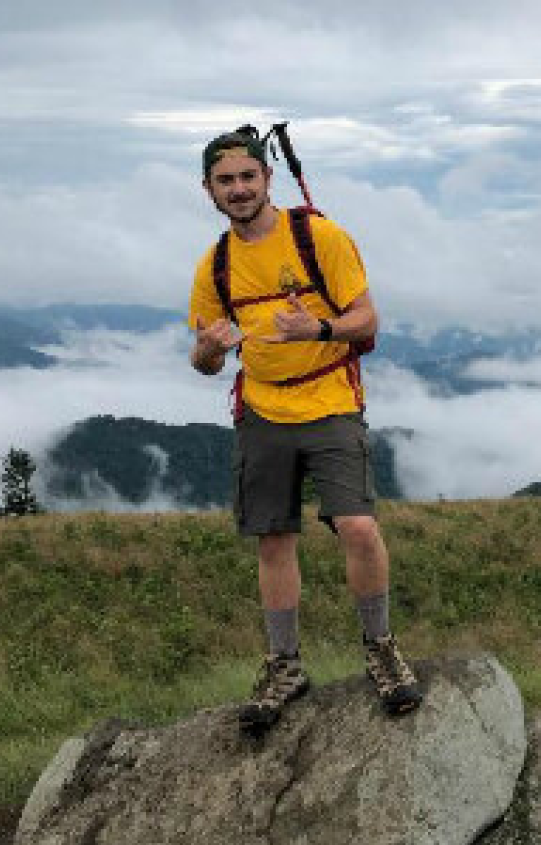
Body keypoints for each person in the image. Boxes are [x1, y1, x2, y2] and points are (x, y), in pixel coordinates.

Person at [188, 127, 421, 733]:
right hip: (262, 410)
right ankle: (284, 665)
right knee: (272, 539)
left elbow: (367, 317)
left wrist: (314, 331)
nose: (238, 189)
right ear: (209, 190)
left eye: (247, 177)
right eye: (225, 181)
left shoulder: (318, 237)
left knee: (359, 526)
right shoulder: (215, 266)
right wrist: (209, 351)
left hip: (330, 399)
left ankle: (381, 648)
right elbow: (204, 358)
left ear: (267, 179)